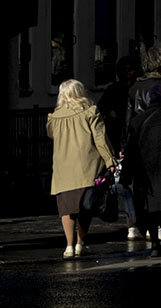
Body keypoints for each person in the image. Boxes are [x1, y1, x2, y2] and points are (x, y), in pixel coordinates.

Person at [46, 79, 116, 259]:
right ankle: (80, 243)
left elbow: (51, 135)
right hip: (87, 167)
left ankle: (68, 246)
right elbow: (101, 139)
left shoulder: (53, 117)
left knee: (67, 209)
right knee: (86, 206)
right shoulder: (90, 112)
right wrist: (110, 160)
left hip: (63, 170)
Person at [98, 56, 141, 240]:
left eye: (131, 69)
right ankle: (133, 222)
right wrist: (110, 114)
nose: (128, 73)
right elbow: (101, 109)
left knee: (130, 184)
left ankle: (135, 223)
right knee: (127, 184)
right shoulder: (117, 89)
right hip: (121, 139)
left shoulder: (133, 88)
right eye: (125, 69)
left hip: (130, 138)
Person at [122, 83, 161, 256]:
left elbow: (130, 151)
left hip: (146, 172)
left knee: (149, 210)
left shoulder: (137, 121)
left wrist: (126, 175)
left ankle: (155, 243)